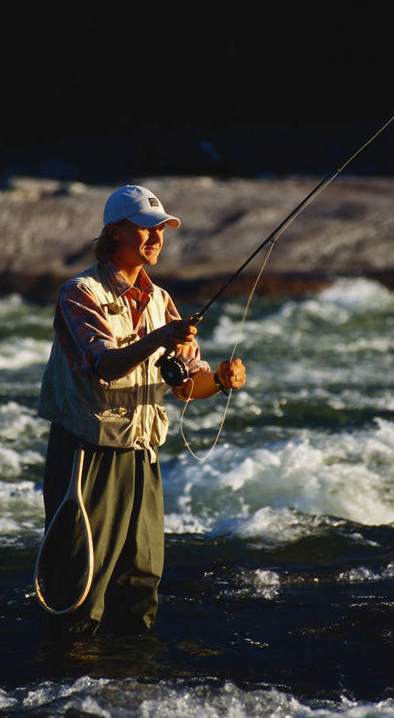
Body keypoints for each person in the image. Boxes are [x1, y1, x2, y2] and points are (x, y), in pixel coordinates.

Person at [37, 184, 246, 636]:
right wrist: (157, 339)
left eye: (162, 230)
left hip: (142, 456)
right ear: (115, 233)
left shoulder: (161, 301)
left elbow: (188, 384)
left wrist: (222, 380)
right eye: (147, 228)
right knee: (80, 584)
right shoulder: (80, 293)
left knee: (140, 584)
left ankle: (129, 684)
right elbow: (102, 366)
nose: (157, 238)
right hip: (86, 455)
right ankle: (68, 688)